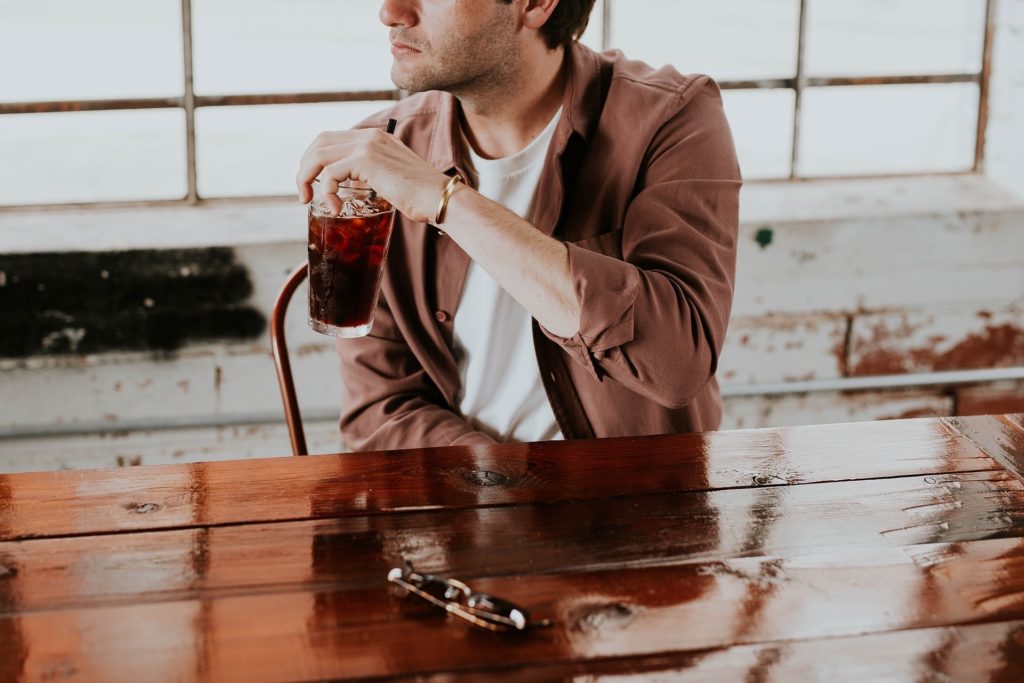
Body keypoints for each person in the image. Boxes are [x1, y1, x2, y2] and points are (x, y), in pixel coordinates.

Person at [296, 0, 741, 451]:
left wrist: (444, 200)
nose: (391, 12)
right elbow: (379, 413)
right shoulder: (387, 154)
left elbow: (678, 363)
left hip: (636, 501)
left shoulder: (670, 116)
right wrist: (504, 486)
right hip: (466, 500)